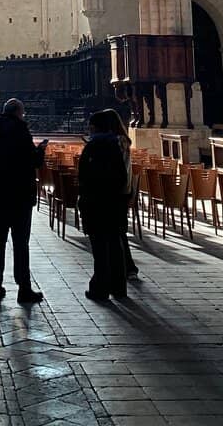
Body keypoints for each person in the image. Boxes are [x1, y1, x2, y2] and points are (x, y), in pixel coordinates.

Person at [0, 98, 47, 304]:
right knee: (21, 242)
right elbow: (33, 161)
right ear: (18, 113)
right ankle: (24, 288)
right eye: (22, 113)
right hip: (20, 194)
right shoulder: (20, 130)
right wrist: (40, 151)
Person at [78, 110, 129, 302]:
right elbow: (122, 176)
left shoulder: (93, 147)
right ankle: (119, 287)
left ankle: (100, 288)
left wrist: (85, 198)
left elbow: (83, 176)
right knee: (115, 244)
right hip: (114, 202)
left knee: (99, 248)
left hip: (95, 203)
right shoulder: (115, 145)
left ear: (94, 127)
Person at [95, 107, 139, 280]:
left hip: (116, 191)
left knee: (117, 232)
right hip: (124, 189)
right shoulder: (123, 140)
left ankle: (127, 268)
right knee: (118, 231)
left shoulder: (116, 142)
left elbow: (114, 168)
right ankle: (125, 268)